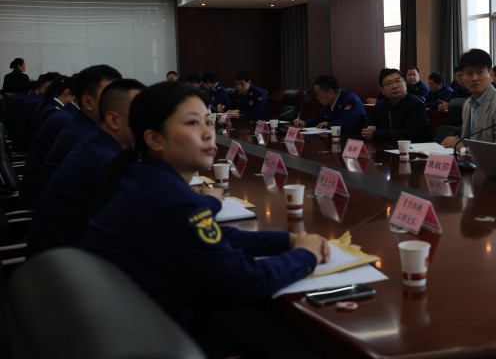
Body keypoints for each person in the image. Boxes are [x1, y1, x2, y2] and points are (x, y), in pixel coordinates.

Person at [79, 82, 328, 350]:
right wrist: (306, 255)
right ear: (154, 139)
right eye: (193, 123)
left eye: (208, 122)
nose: (208, 133)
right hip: (144, 344)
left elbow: (215, 236)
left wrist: (288, 240)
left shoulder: (147, 177)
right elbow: (246, 281)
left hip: (126, 330)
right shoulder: (166, 196)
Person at [28, 79, 146, 255]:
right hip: (67, 265)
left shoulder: (95, 144)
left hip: (62, 257)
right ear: (113, 119)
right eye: (140, 114)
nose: (147, 122)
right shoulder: (104, 159)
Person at [20, 65, 122, 208]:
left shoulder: (74, 120)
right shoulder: (74, 128)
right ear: (87, 101)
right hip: (35, 204)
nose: (117, 104)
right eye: (109, 96)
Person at [440, 49, 496, 162]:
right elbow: (468, 142)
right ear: (462, 78)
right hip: (473, 167)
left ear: (490, 75)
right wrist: (457, 143)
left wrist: (461, 148)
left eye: (480, 72)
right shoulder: (467, 104)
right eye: (469, 73)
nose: (474, 78)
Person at [361, 68, 432, 142]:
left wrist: (375, 134)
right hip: (388, 147)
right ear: (382, 90)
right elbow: (367, 128)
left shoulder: (416, 104)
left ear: (405, 84)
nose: (395, 86)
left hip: (416, 148)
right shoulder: (380, 105)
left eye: (398, 81)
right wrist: (369, 131)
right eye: (389, 83)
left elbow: (408, 135)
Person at [294, 74, 368, 134]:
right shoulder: (329, 102)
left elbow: (346, 123)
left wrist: (328, 124)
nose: (317, 98)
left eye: (318, 94)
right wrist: (305, 123)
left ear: (330, 92)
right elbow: (319, 119)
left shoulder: (350, 100)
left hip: (356, 140)